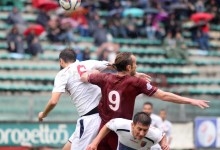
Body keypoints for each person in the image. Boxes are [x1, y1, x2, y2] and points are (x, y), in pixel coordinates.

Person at [81, 52, 209, 150]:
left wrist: (100, 69)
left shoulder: (105, 78)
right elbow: (164, 96)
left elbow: (84, 76)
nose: (137, 66)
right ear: (129, 67)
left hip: (103, 128)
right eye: (135, 64)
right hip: (123, 132)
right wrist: (190, 100)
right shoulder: (136, 82)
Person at [38, 48, 111, 150]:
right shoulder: (89, 63)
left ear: (61, 61)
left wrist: (43, 114)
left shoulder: (62, 74)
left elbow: (53, 101)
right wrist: (135, 74)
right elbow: (113, 64)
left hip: (90, 119)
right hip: (101, 114)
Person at [86, 112, 169, 150]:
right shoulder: (121, 124)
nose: (141, 133)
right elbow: (108, 125)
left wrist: (164, 145)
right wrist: (94, 143)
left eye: (145, 130)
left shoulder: (153, 134)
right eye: (139, 129)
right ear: (132, 125)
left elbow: (162, 135)